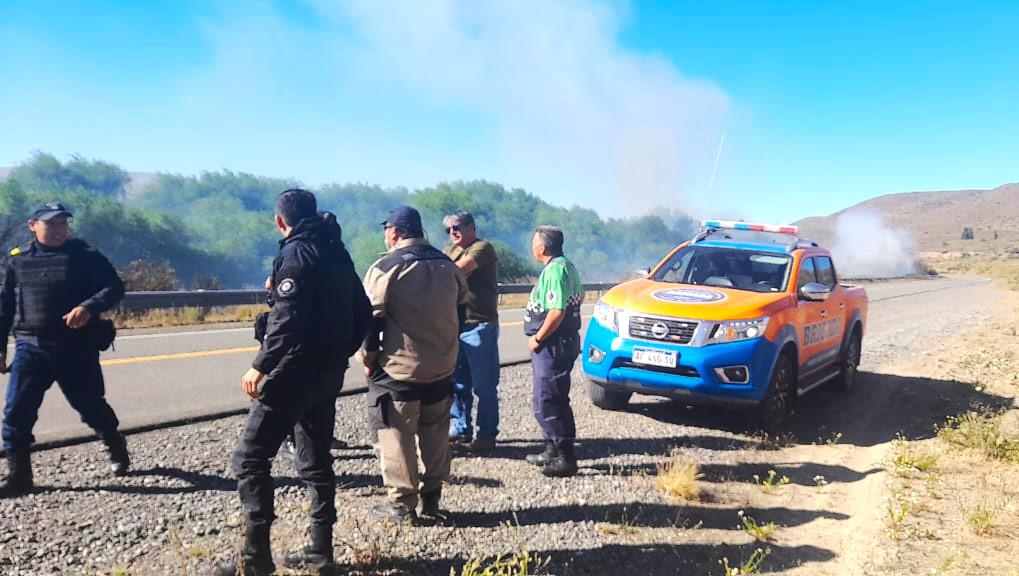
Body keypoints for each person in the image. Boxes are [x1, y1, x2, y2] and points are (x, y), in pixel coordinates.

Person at [215, 189, 371, 576]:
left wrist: (261, 365)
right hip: (327, 371)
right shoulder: (336, 251)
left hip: (294, 370)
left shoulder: (298, 252)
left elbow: (289, 317)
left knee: (250, 459)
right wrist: (339, 352)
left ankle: (254, 561)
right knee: (316, 462)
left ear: (280, 221)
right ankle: (321, 553)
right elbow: (363, 311)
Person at [0, 201, 129, 498]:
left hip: (75, 348)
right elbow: (5, 306)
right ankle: (19, 477)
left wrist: (88, 307)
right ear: (32, 226)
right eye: (52, 224)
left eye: (63, 224)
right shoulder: (17, 260)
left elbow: (114, 287)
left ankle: (113, 442)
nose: (60, 230)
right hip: (30, 347)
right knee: (16, 413)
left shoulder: (83, 255)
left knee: (91, 407)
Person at [361, 206, 466, 522]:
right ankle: (432, 497)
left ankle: (402, 503)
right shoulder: (449, 265)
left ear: (394, 232)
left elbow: (371, 320)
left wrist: (368, 359)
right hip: (442, 365)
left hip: (400, 369)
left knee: (395, 433)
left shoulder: (386, 267)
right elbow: (462, 314)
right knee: (435, 431)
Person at [523, 225, 583, 477]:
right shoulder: (565, 265)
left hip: (553, 344)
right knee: (546, 397)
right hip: (561, 341)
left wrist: (538, 338)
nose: (532, 246)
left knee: (550, 399)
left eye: (534, 242)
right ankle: (551, 447)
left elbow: (557, 311)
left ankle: (565, 457)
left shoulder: (556, 270)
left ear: (542, 247)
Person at [442, 211, 500, 454]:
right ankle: (460, 427)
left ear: (471, 227)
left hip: (479, 325)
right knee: (458, 384)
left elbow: (456, 272)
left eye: (457, 227)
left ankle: (486, 434)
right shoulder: (449, 251)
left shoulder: (482, 248)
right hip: (457, 325)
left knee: (484, 386)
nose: (453, 232)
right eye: (449, 229)